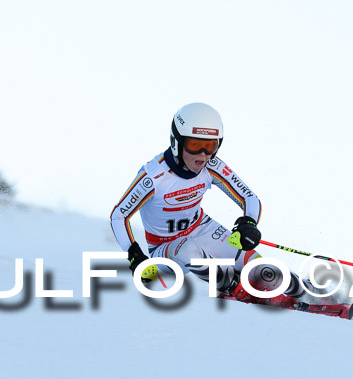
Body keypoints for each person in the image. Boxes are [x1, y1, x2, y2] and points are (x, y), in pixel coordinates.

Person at [109, 103, 337, 308]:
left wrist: (248, 224)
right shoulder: (154, 176)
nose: (202, 155)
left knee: (264, 271)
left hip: (202, 229)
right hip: (166, 247)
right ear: (176, 141)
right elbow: (119, 215)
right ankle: (236, 289)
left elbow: (249, 198)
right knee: (189, 251)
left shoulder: (212, 166)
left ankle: (315, 295)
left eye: (210, 146)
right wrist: (135, 255)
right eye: (195, 145)